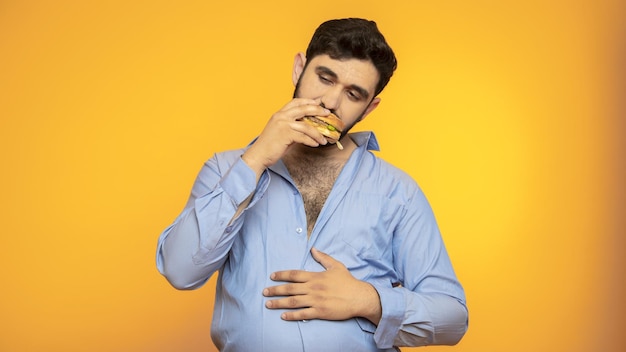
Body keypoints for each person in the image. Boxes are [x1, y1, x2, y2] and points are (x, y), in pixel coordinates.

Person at [156, 18, 468, 351]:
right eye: (325, 77)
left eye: (353, 94)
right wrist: (256, 158)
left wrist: (369, 300)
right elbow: (179, 270)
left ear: (370, 107)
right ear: (299, 69)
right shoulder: (225, 169)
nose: (331, 102)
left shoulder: (398, 193)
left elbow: (452, 317)